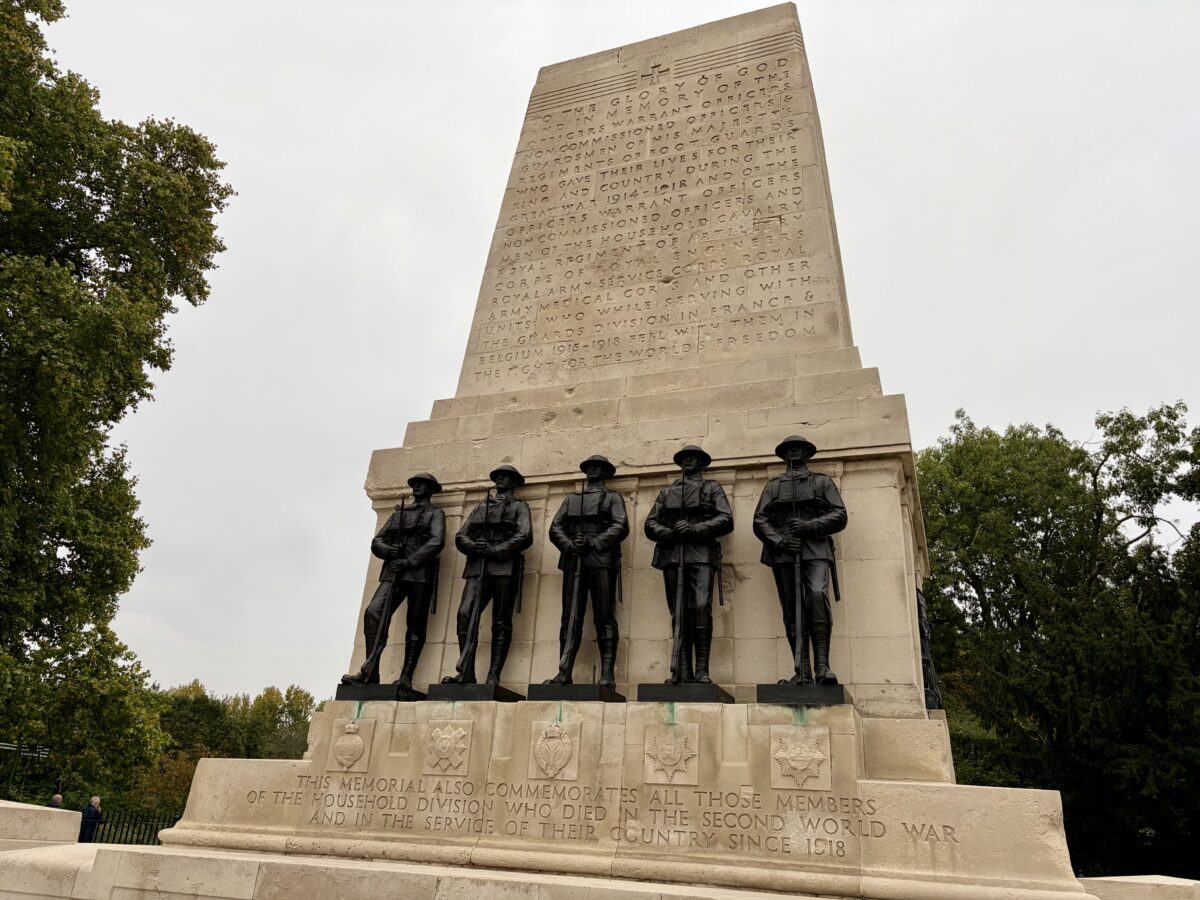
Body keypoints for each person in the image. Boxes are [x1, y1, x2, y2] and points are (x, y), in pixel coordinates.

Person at [752, 435, 847, 684]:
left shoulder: (822, 482)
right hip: (784, 552)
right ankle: (802, 671)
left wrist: (810, 526)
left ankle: (823, 666)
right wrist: (780, 540)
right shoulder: (773, 486)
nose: (794, 452)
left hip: (815, 548)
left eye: (799, 449)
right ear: (783, 455)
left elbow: (839, 515)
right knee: (792, 611)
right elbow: (759, 520)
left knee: (816, 595)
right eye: (789, 449)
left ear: (807, 454)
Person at [342, 473, 445, 689]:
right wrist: (390, 551)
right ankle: (370, 671)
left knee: (415, 625)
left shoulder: (435, 513)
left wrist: (409, 561)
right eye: (414, 484)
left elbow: (436, 541)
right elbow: (377, 540)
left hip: (418, 572)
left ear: (430, 489)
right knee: (374, 612)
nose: (416, 487)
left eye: (422, 485)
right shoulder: (399, 513)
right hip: (394, 570)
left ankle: (407, 676)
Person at [644, 445, 733, 684]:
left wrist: (695, 529)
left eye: (692, 458)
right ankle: (683, 669)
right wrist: (670, 532)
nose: (687, 461)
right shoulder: (666, 492)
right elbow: (650, 524)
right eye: (683, 458)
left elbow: (726, 519)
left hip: (702, 552)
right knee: (679, 612)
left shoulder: (712, 488)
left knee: (702, 606)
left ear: (702, 463)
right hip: (673, 554)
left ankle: (702, 668)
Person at [544, 454, 629, 688]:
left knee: (604, 617)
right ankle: (564, 672)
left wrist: (594, 542)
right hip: (574, 559)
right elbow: (556, 527)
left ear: (606, 472)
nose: (592, 470)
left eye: (598, 467)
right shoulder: (572, 499)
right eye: (589, 467)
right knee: (570, 617)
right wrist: (570, 544)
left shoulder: (613, 497)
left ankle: (607, 674)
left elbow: (620, 525)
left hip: (601, 559)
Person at [443, 465, 532, 685]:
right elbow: (461, 534)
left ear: (514, 482)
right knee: (465, 614)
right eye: (498, 476)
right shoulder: (481, 507)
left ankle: (494, 675)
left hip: (504, 566)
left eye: (506, 477)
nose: (501, 479)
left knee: (501, 621)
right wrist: (474, 546)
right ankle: (466, 672)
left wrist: (498, 549)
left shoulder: (520, 507)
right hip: (478, 565)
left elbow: (525, 534)